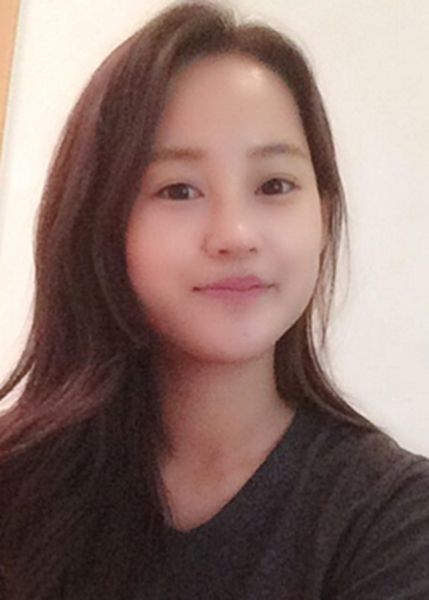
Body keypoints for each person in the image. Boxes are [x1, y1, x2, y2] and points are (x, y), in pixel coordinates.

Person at [0, 1, 428, 598]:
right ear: (100, 222)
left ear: (323, 216)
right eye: (178, 190)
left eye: (274, 185)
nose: (236, 235)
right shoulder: (17, 485)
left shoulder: (391, 519)